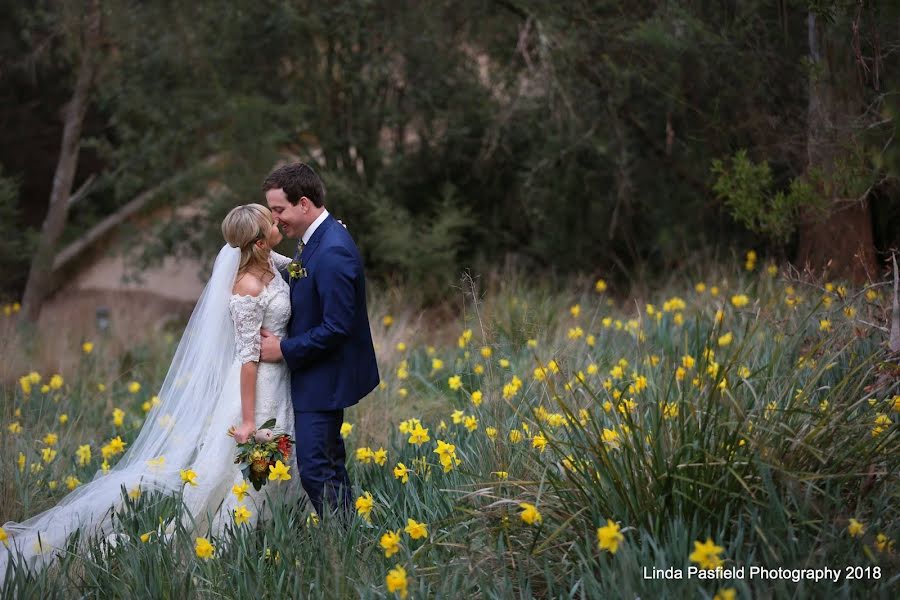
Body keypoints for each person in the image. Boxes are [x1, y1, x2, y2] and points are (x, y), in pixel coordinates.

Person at [1, 204, 298, 580]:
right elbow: (247, 358)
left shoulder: (272, 262)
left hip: (282, 380)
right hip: (257, 389)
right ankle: (225, 550)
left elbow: (301, 262)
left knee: (275, 470)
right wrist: (251, 420)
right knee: (243, 474)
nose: (278, 223)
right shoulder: (247, 288)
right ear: (257, 243)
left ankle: (271, 539)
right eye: (273, 223)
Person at [260, 162, 379, 520]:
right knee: (326, 464)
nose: (276, 219)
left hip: (323, 380)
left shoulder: (332, 250)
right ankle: (348, 539)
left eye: (279, 210)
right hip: (314, 376)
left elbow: (337, 326)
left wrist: (283, 349)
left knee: (316, 470)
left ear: (304, 204)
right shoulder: (316, 240)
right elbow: (304, 279)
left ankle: (344, 546)